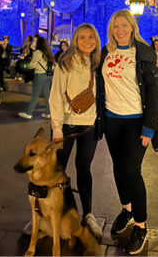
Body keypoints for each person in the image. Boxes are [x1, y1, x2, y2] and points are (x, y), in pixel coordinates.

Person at [96, 9, 158, 255]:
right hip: (112, 121)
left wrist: (149, 126)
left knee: (131, 171)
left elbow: (153, 93)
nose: (120, 30)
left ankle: (141, 225)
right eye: (116, 26)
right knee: (117, 167)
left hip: (136, 122)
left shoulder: (144, 53)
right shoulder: (106, 52)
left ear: (132, 27)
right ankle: (126, 209)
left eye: (124, 25)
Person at [48, 23, 102, 240]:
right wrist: (56, 128)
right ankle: (49, 215)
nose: (87, 41)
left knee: (84, 168)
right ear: (75, 41)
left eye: (91, 37)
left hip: (89, 125)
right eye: (82, 37)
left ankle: (88, 214)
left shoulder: (98, 63)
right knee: (57, 170)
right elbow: (56, 96)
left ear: (97, 40)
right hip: (67, 126)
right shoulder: (65, 63)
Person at [18, 36, 54, 119]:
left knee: (35, 95)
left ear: (38, 44)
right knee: (46, 95)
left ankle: (28, 113)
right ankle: (48, 113)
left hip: (40, 75)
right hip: (48, 76)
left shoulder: (37, 52)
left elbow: (31, 65)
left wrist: (27, 65)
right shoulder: (48, 52)